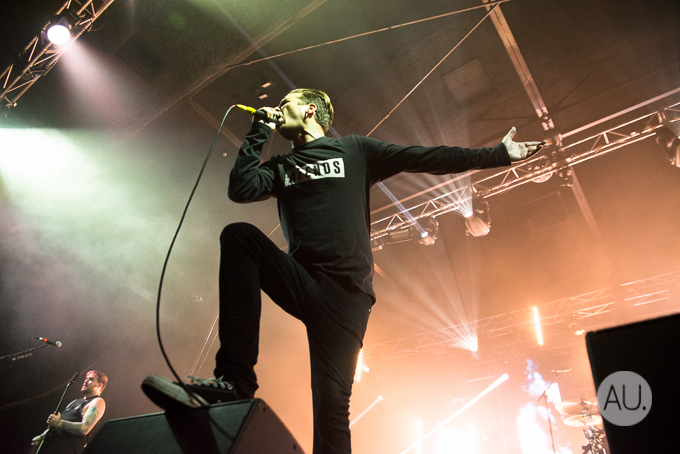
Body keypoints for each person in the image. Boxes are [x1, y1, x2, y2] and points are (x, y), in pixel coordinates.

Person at [142, 89, 545, 453]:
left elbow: (425, 157)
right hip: (303, 281)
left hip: (347, 297)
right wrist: (258, 131)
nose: (277, 110)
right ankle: (235, 382)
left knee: (331, 407)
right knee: (239, 237)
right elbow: (241, 188)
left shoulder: (355, 150)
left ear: (310, 110)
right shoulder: (281, 167)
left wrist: (495, 155)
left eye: (285, 104)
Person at [31, 370, 108, 454]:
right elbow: (57, 424)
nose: (85, 381)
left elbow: (84, 428)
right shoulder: (75, 401)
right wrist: (42, 436)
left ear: (100, 385)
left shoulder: (97, 401)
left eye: (91, 379)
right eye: (86, 379)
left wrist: (59, 423)